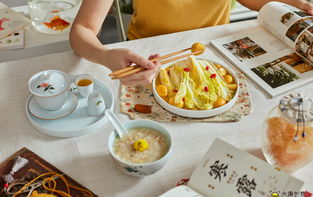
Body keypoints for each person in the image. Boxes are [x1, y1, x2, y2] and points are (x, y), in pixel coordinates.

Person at [70, 0, 313, 85]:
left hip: (217, 60)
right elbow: (82, 29)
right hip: (146, 63)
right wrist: (103, 55)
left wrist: (296, 5)